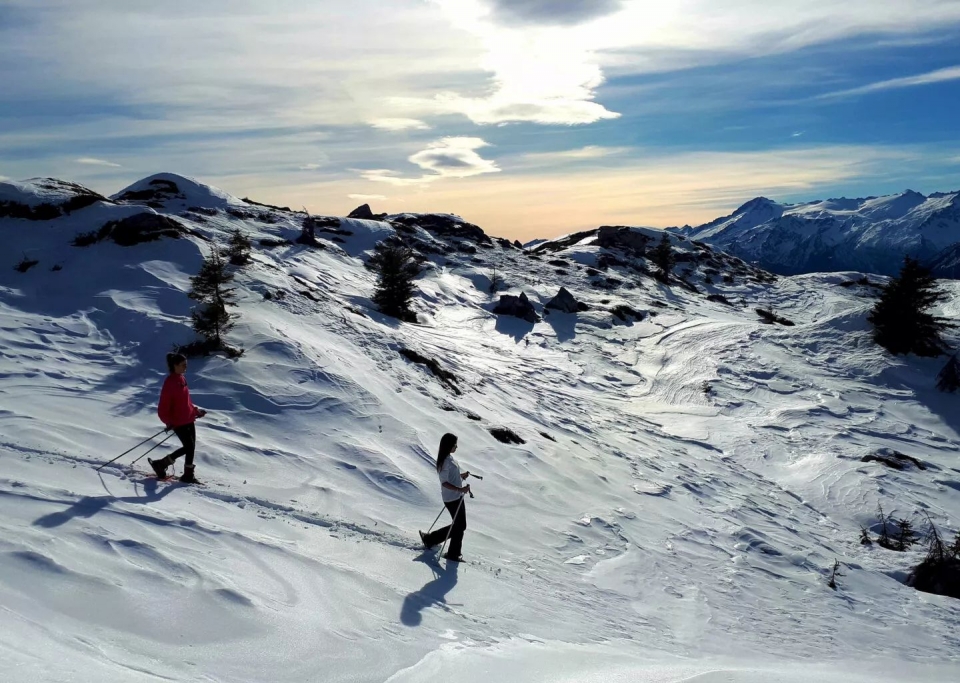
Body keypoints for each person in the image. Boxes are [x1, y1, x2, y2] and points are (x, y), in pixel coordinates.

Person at [149, 352, 206, 484]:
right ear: (175, 365)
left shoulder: (182, 379)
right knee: (188, 447)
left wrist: (196, 411)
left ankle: (188, 475)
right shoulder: (170, 382)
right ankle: (161, 464)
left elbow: (186, 401)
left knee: (191, 447)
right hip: (178, 421)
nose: (185, 368)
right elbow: (163, 405)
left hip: (189, 418)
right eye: (183, 365)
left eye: (186, 365)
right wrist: (167, 421)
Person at [419, 433, 471, 562]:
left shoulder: (449, 458)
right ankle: (433, 540)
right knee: (460, 526)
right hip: (452, 498)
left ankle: (451, 552)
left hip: (457, 496)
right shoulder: (444, 462)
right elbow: (444, 483)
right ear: (449, 445)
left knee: (460, 525)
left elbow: (451, 477)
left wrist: (461, 476)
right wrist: (460, 489)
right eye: (455, 444)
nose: (456, 447)